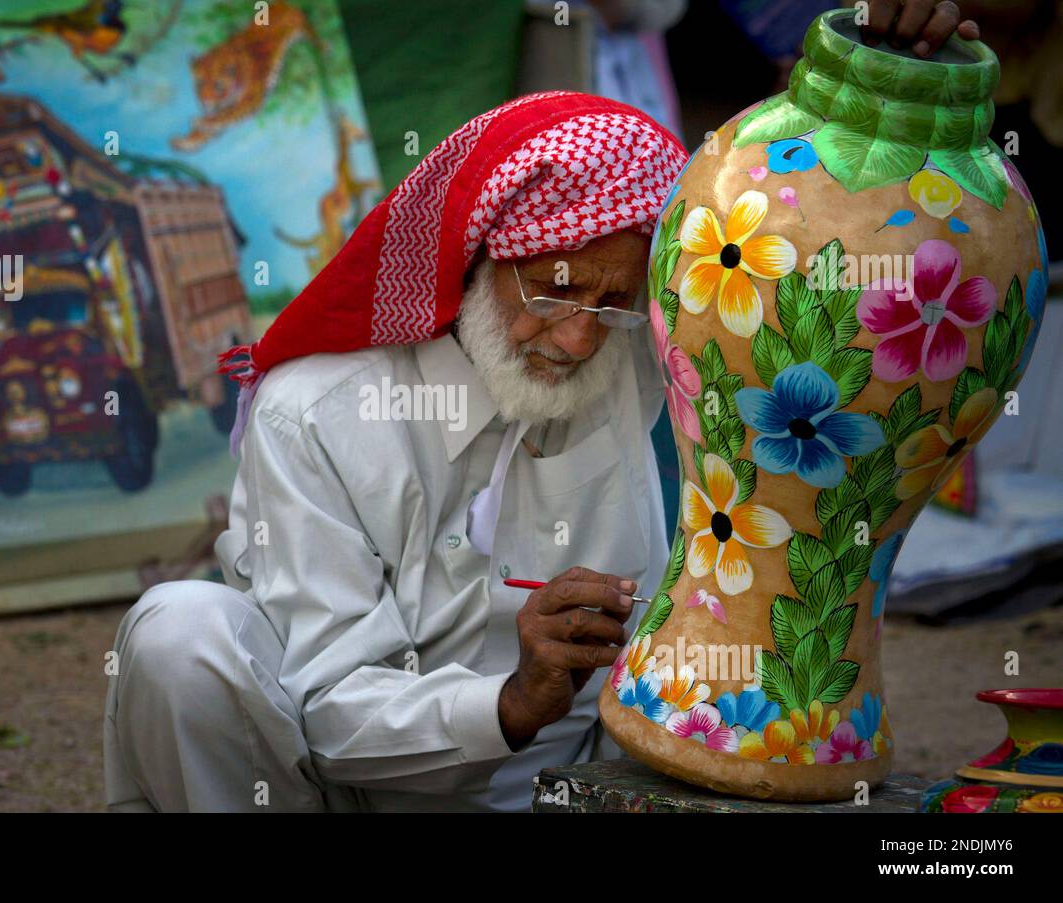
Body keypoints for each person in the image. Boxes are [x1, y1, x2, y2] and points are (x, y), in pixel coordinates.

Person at [103, 5, 980, 813]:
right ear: (478, 256)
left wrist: (879, 81)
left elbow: (816, 270)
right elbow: (329, 707)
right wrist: (510, 701)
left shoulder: (639, 354)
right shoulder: (318, 413)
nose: (577, 338)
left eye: (613, 302)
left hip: (575, 789)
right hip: (345, 794)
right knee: (181, 632)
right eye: (555, 288)